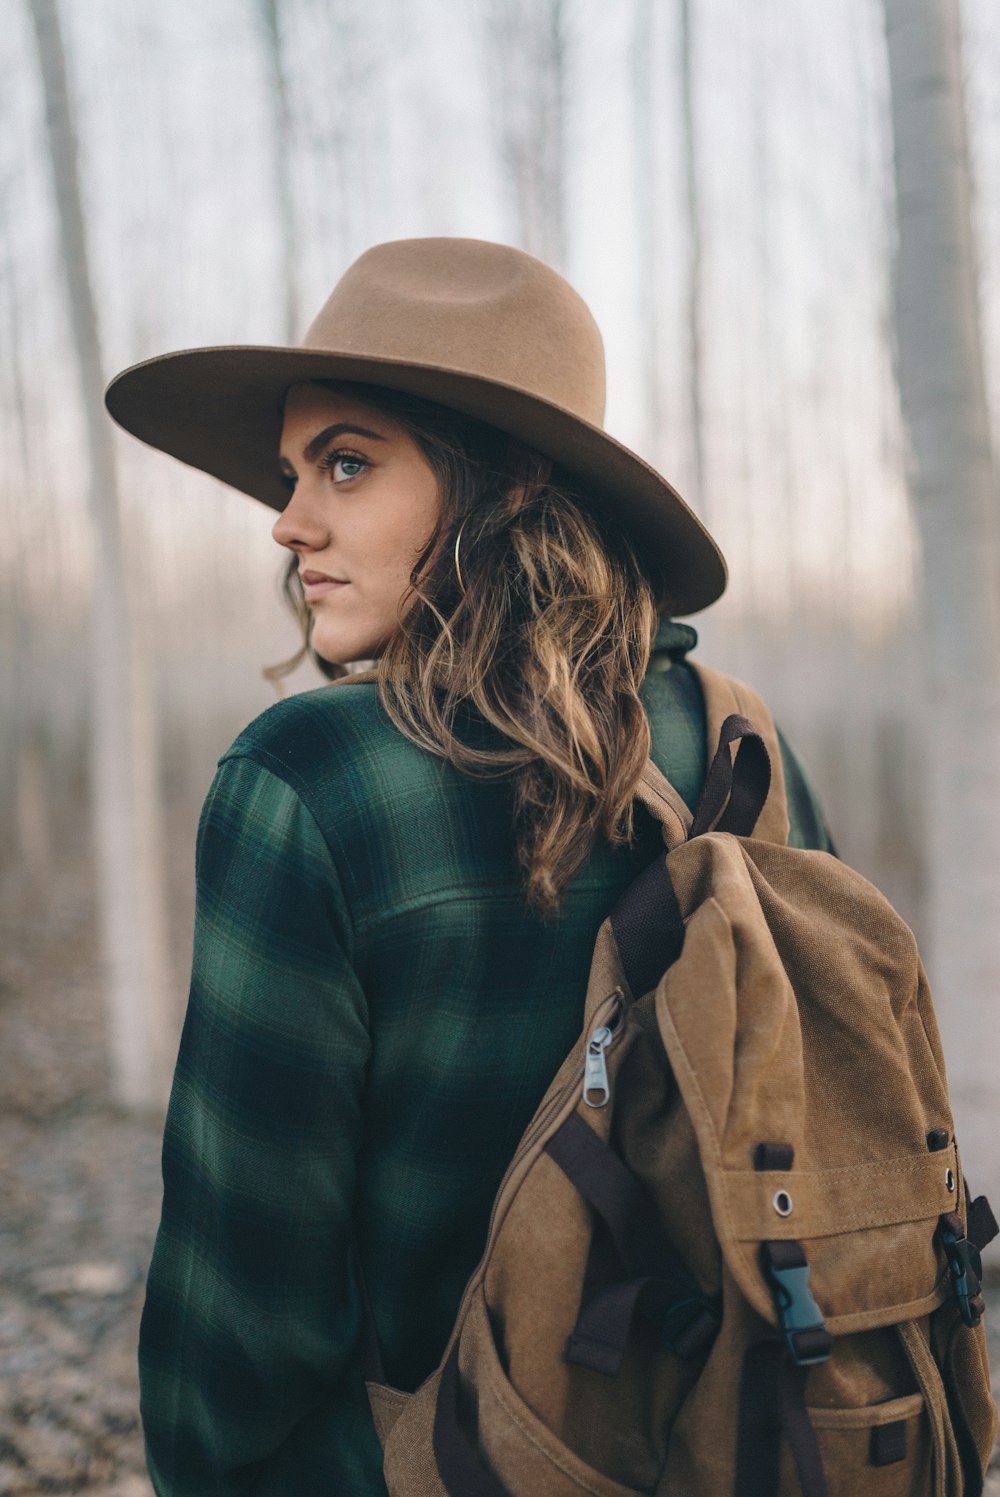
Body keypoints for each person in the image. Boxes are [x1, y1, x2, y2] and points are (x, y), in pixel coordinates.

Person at [105, 237, 834, 1497]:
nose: (286, 522)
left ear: (503, 487)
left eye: (346, 462)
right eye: (294, 473)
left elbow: (245, 1292)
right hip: (737, 1446)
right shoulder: (738, 737)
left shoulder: (311, 779)